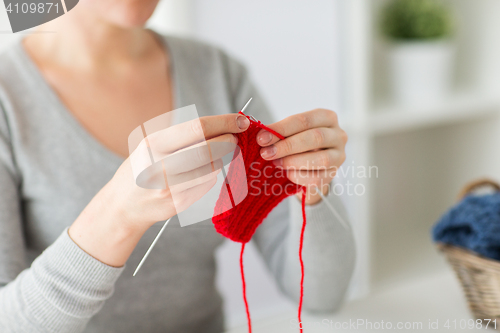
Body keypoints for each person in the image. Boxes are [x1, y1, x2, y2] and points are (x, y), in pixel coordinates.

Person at [0, 0, 356, 332]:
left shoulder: (216, 72)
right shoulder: (8, 98)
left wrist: (313, 190)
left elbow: (321, 296)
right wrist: (118, 214)